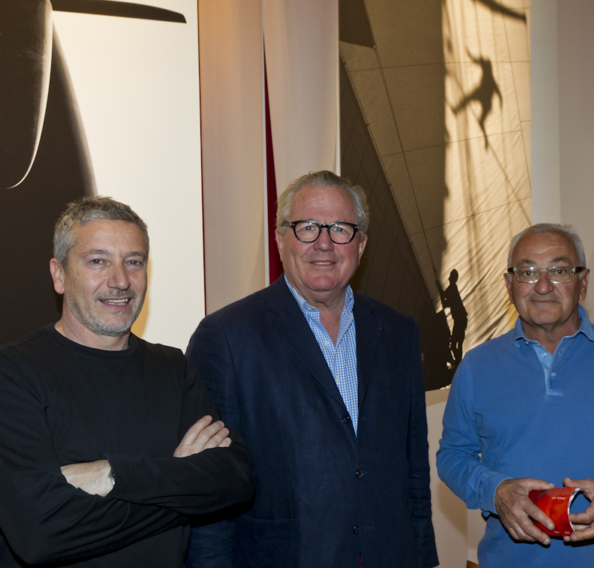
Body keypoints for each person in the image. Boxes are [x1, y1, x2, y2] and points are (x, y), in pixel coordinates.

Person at [0, 197, 253, 567]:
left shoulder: (172, 368)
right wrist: (182, 484)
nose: (120, 280)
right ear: (59, 274)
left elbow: (235, 479)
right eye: (98, 261)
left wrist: (111, 473)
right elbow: (42, 533)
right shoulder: (6, 376)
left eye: (133, 262)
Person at [185, 171, 438, 567]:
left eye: (340, 229)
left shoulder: (399, 331)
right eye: (307, 227)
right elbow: (208, 485)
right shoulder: (226, 338)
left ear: (361, 243)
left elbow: (413, 470)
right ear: (280, 238)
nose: (324, 243)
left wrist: (423, 558)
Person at [436, 223, 594, 567]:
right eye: (527, 271)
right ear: (509, 285)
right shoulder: (476, 366)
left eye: (559, 271)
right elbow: (453, 456)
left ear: (582, 282)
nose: (543, 286)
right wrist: (494, 492)